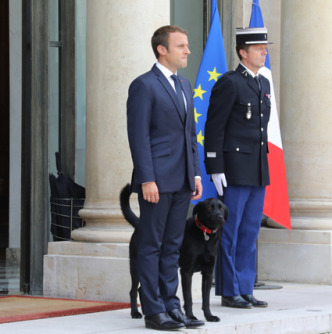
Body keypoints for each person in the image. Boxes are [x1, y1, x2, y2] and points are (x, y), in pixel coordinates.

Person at [126, 25, 204, 330]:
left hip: (183, 179)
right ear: (162, 49)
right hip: (156, 182)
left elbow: (191, 135)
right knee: (151, 245)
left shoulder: (184, 85)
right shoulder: (144, 86)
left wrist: (195, 173)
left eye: (186, 45)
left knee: (172, 247)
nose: (187, 51)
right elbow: (138, 136)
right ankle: (153, 310)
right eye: (181, 46)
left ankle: (173, 306)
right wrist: (146, 178)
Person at [204, 27, 271, 309]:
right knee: (229, 231)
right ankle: (230, 290)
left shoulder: (263, 83)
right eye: (258, 48)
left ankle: (246, 287)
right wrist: (215, 166)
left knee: (250, 231)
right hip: (233, 167)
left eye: (264, 47)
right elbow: (214, 127)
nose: (264, 51)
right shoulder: (230, 82)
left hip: (256, 167)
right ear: (243, 52)